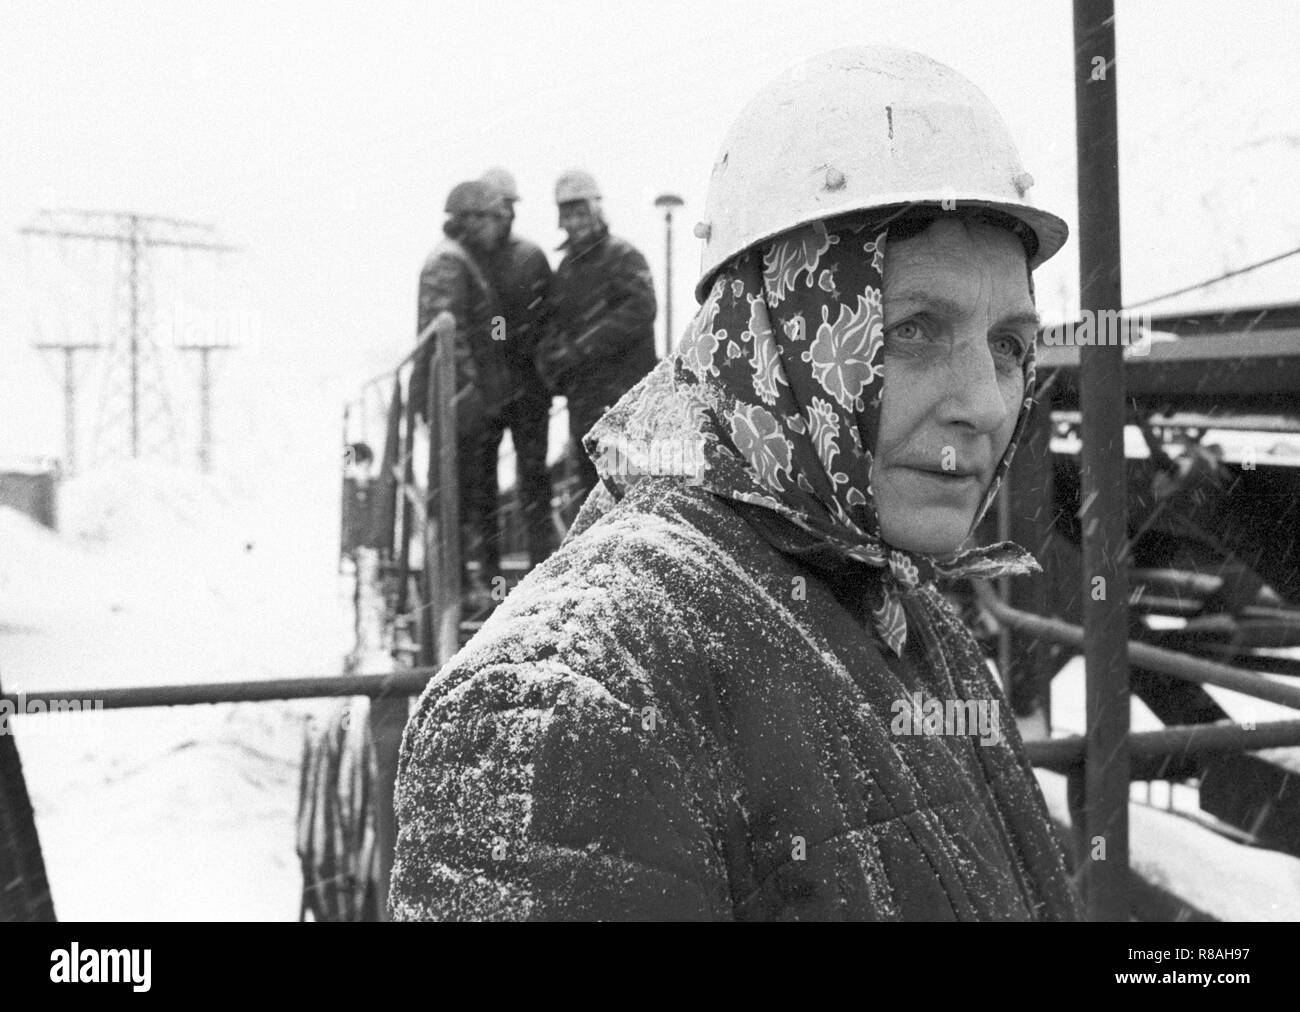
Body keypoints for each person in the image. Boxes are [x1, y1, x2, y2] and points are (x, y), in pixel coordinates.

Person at [392, 47, 1082, 921]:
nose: (984, 403)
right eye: (913, 330)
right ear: (766, 338)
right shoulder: (575, 691)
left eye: (1010, 344)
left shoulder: (909, 610)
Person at [412, 179, 511, 608]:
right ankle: (452, 596)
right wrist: (469, 394)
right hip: (459, 404)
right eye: (492, 218)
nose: (499, 227)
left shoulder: (464, 259)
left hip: (467, 403)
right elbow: (449, 338)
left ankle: (473, 589)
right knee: (456, 497)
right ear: (470, 220)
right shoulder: (449, 263)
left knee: (472, 497)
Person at [535, 169, 657, 503]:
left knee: (627, 484)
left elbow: (642, 308)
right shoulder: (565, 271)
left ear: (596, 210)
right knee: (591, 488)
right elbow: (553, 322)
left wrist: (583, 347)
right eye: (568, 214)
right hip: (584, 397)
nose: (575, 222)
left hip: (623, 394)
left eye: (581, 212)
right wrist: (553, 357)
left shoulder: (623, 256)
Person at [476, 167, 558, 568]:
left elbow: (545, 317)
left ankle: (540, 567)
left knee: (533, 480)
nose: (502, 213)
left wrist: (503, 333)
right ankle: (489, 571)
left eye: (507, 205)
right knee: (485, 484)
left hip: (526, 387)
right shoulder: (473, 261)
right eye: (495, 206)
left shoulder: (529, 257)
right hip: (492, 389)